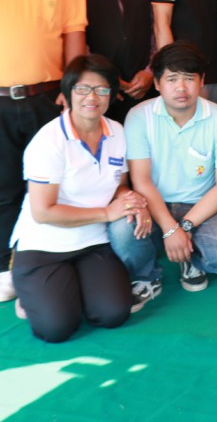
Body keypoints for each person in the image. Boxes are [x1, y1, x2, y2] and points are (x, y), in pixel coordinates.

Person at [9, 55, 139, 342]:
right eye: (83, 89)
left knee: (113, 313)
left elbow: (120, 185)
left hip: (92, 241)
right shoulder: (48, 141)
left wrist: (130, 200)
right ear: (67, 93)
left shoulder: (117, 132)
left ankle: (63, 290)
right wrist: (106, 214)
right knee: (56, 328)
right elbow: (43, 211)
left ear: (111, 94)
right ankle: (31, 294)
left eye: (102, 89)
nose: (92, 97)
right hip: (44, 245)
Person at [108, 41, 217, 311]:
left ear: (202, 81)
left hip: (201, 207)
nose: (181, 88)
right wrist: (170, 228)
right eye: (172, 79)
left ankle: (189, 258)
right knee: (121, 229)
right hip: (152, 203)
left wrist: (184, 228)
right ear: (157, 83)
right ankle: (147, 277)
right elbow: (141, 181)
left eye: (189, 78)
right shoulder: (139, 116)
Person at [0, 0, 87, 303]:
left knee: (52, 185)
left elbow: (74, 34)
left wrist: (71, 91)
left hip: (47, 98)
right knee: (3, 189)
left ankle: (51, 262)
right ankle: (5, 267)